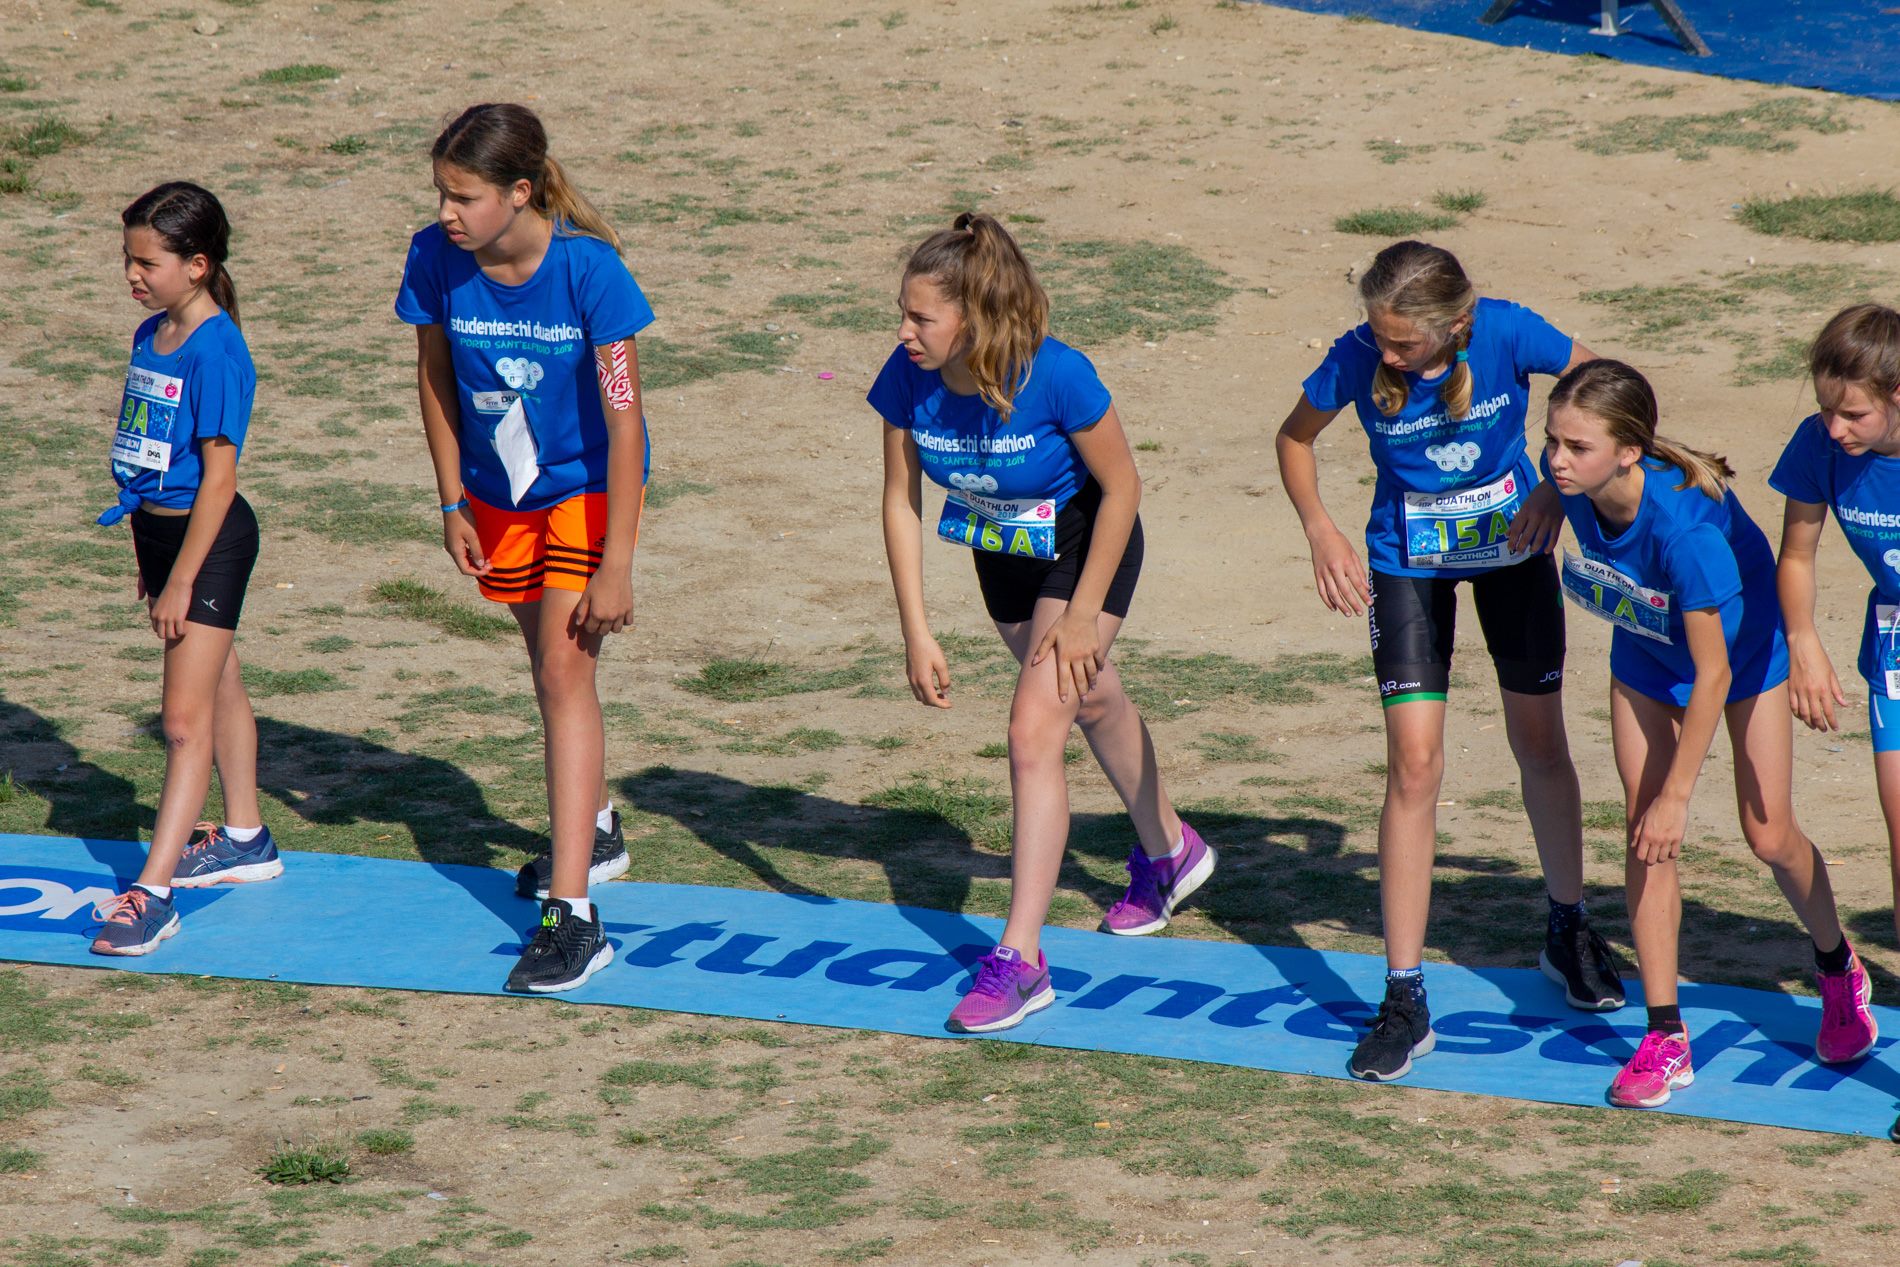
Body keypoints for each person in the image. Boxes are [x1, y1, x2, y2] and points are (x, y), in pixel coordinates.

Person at [1275, 239, 1617, 1083]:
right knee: (1414, 766)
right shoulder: (1358, 355)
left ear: (1458, 325)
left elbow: (1610, 395)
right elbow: (1296, 437)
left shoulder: (1507, 332)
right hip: (1406, 565)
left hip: (1515, 554)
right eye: (1378, 337)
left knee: (1541, 746)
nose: (1382, 353)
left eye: (1402, 343)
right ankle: (1403, 994)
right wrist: (1321, 529)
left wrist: (1554, 483)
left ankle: (1568, 928)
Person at [869, 212, 1212, 1034]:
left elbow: (1124, 487)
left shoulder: (1058, 375)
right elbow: (899, 500)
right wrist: (916, 629)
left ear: (975, 320)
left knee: (1032, 730)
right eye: (904, 313)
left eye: (922, 317)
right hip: (1002, 553)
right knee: (1088, 701)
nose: (904, 331)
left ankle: (1021, 959)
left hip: (1087, 546)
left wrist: (1087, 612)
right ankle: (1170, 849)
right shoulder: (906, 376)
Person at [1545, 359, 1875, 1108]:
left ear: (1628, 451)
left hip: (1741, 658)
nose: (1558, 459)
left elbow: (1715, 675)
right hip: (1645, 652)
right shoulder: (1567, 473)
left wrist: (1679, 795)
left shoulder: (1685, 531)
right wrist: (1542, 497)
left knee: (1768, 834)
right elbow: (1556, 477)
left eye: (1575, 448)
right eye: (1552, 442)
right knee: (1643, 832)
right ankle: (1664, 1034)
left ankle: (1835, 964)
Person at [395, 103, 653, 993]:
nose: (446, 214)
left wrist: (617, 558)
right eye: (440, 194)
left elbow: (625, 421)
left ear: (521, 192)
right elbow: (433, 377)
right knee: (537, 657)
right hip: (495, 493)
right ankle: (599, 823)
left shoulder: (593, 274)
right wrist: (449, 498)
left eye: (463, 197)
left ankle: (574, 916)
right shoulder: (435, 261)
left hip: (584, 493)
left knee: (561, 673)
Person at [91, 182, 280, 956]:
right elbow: (151, 455)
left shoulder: (218, 350)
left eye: (147, 261)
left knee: (180, 721)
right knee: (218, 676)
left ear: (197, 264)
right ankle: (244, 836)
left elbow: (219, 479)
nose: (133, 274)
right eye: (127, 259)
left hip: (211, 541)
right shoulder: (151, 335)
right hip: (162, 539)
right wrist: (151, 557)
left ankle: (154, 892)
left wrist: (180, 578)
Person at [1768, 304, 1900, 1132]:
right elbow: (1797, 553)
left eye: (1853, 412)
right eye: (1826, 406)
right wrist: (1804, 641)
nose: (1835, 426)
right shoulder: (1820, 448)